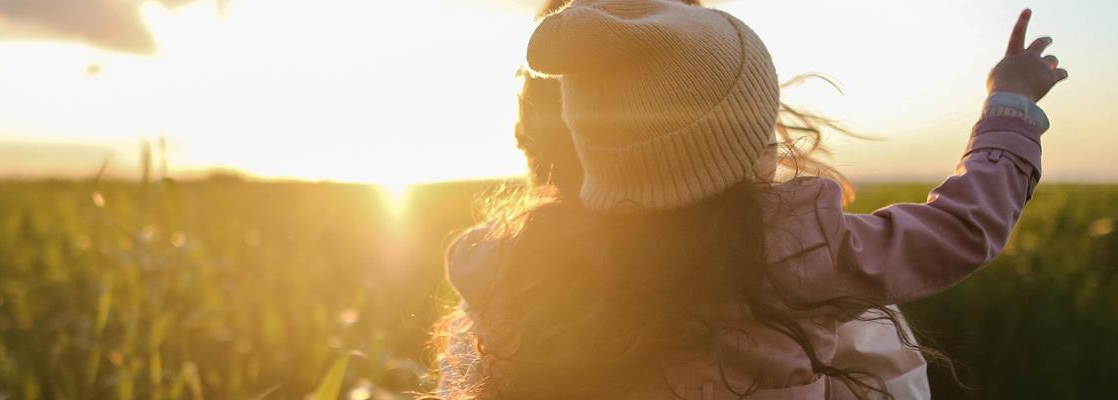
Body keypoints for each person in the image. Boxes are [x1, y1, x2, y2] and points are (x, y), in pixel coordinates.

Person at [434, 0, 1065, 398]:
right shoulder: (792, 246)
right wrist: (1009, 105)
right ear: (739, 141)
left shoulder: (517, 259)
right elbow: (960, 229)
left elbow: (472, 263)